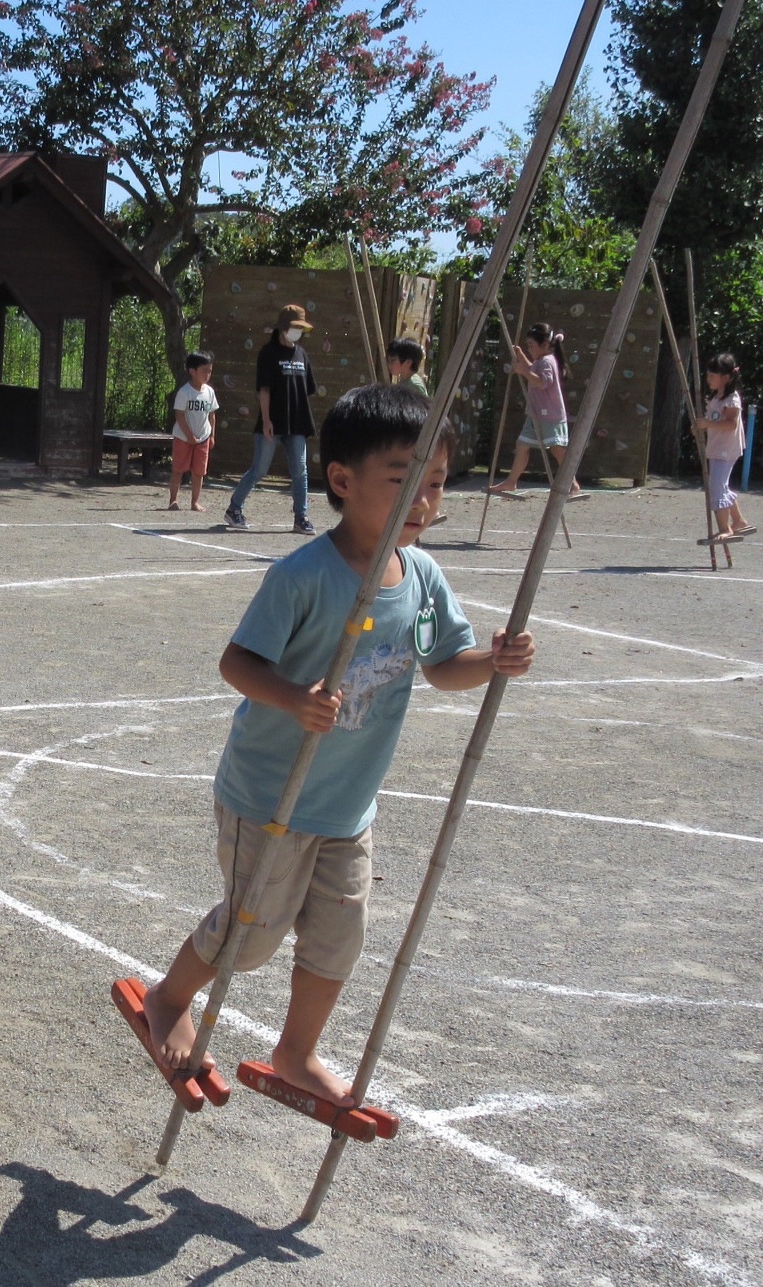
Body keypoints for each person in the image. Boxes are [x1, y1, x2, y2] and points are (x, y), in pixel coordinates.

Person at [140, 383, 536, 1107]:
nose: (424, 500)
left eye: (437, 482)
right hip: (271, 797)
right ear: (343, 481)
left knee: (337, 939)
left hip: (348, 805)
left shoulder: (421, 577)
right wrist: (294, 697)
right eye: (404, 480)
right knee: (250, 936)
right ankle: (168, 997)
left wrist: (494, 660)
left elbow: (444, 665)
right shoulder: (303, 576)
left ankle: (296, 1052)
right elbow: (237, 663)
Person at [225, 304, 317, 534]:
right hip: (272, 423)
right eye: (295, 327)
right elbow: (264, 390)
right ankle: (234, 509)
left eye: (301, 328)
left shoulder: (302, 354)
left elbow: (306, 390)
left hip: (297, 424)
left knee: (300, 471)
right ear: (283, 327)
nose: (298, 332)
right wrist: (266, 420)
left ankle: (301, 517)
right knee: (259, 469)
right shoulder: (268, 353)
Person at [489, 322, 578, 497]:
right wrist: (521, 356)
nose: (529, 349)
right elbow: (532, 370)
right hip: (536, 414)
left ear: (544, 345)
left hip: (550, 415)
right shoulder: (540, 361)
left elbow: (541, 382)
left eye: (531, 346)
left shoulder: (547, 362)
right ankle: (511, 481)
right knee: (522, 445)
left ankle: (573, 483)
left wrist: (522, 370)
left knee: (557, 449)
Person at [698, 352, 755, 538]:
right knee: (720, 485)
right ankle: (739, 521)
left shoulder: (732, 399)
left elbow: (731, 424)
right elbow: (713, 421)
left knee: (716, 487)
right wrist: (701, 426)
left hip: (726, 449)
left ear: (726, 378)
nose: (708, 379)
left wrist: (707, 424)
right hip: (717, 447)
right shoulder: (716, 398)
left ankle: (725, 528)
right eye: (708, 375)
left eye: (712, 376)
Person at [168, 351, 219, 512]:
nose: (207, 374)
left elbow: (212, 415)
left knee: (199, 472)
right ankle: (173, 500)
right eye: (204, 371)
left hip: (203, 438)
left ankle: (195, 502)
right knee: (178, 470)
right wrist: (189, 436)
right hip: (183, 438)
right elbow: (179, 415)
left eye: (210, 371)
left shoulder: (209, 392)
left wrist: (212, 436)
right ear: (192, 371)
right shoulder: (184, 392)